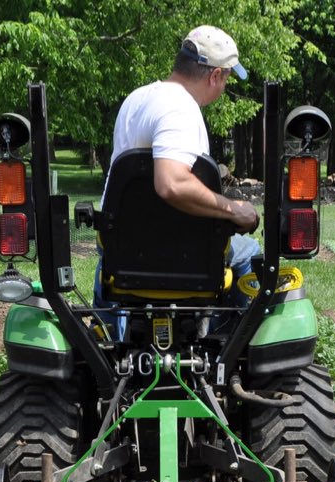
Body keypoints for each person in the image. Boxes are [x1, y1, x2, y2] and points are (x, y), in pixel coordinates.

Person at [94, 25, 261, 318]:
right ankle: (236, 337)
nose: (224, 88)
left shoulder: (137, 99)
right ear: (215, 76)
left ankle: (107, 326)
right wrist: (234, 210)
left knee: (114, 259)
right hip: (182, 257)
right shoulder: (179, 108)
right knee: (250, 251)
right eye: (226, 79)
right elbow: (171, 184)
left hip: (124, 252)